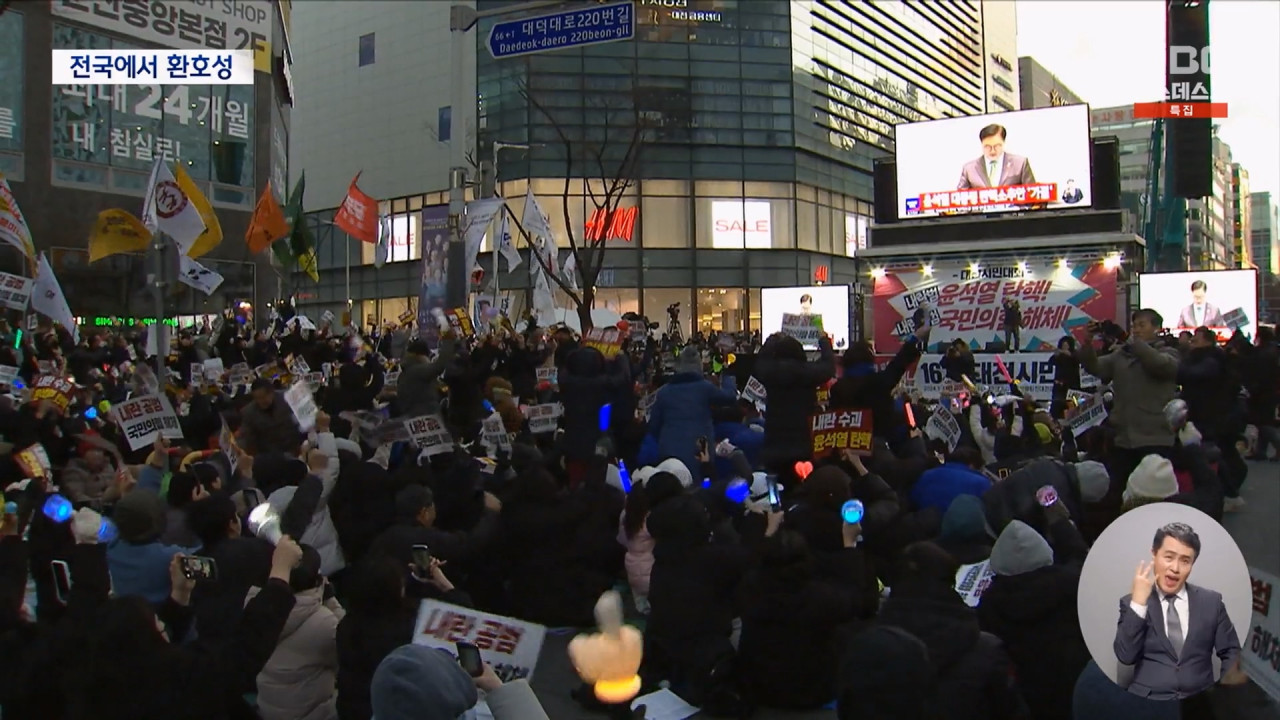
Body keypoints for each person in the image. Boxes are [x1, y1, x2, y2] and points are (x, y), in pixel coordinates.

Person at [1113, 522, 1242, 701]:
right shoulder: (1131, 602)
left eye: (1185, 561)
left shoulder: (1211, 601)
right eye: (1169, 557)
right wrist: (1139, 603)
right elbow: (1125, 656)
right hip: (1148, 701)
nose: (1175, 568)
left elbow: (1231, 650)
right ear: (1154, 554)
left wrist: (1226, 690)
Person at [957, 123, 1036, 190]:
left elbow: (1034, 195)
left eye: (997, 146)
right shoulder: (969, 169)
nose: (992, 151)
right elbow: (958, 200)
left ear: (1003, 142)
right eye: (987, 146)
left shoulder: (1020, 164)